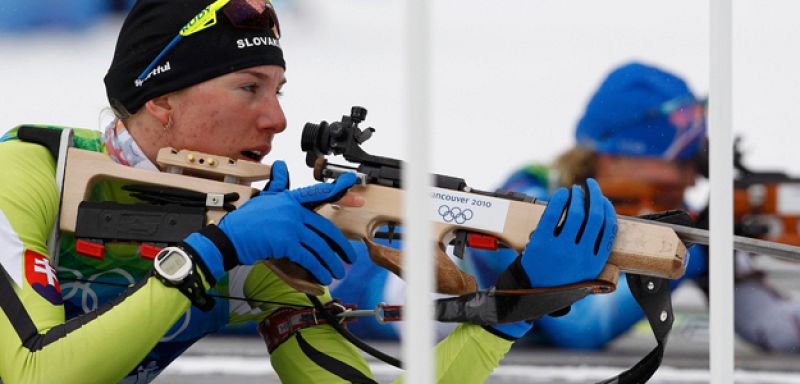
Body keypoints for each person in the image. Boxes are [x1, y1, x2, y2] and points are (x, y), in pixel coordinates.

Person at [0, 1, 620, 383]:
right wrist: (206, 257)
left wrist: (513, 308)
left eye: (280, 90)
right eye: (249, 88)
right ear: (159, 99)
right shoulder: (27, 175)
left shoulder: (250, 221)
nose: (277, 121)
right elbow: (34, 376)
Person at [472, 61, 800, 352]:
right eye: (681, 162)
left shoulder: (674, 217)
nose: (691, 180)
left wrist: (719, 245)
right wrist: (691, 252)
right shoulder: (525, 198)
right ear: (615, 155)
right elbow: (582, 327)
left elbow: (780, 330)